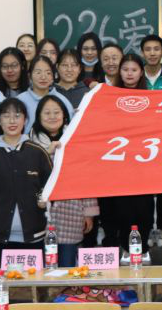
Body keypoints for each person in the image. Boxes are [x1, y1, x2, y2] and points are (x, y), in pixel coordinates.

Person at [0, 98, 52, 268]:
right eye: (6, 116)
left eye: (17, 116)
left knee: (32, 283)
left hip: (33, 237)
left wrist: (41, 198)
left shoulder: (38, 152)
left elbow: (48, 187)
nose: (12, 121)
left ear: (25, 120)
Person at [28, 95, 99, 263]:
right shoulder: (29, 144)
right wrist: (46, 153)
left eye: (56, 112)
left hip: (71, 213)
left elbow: (86, 179)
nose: (52, 116)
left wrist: (88, 214)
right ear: (38, 116)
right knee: (41, 268)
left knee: (67, 266)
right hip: (38, 215)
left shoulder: (76, 141)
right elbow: (27, 180)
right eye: (47, 113)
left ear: (64, 116)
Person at [16, 55, 71, 131]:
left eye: (48, 73)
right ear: (29, 76)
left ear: (53, 77)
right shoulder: (20, 100)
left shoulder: (62, 100)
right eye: (38, 72)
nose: (43, 77)